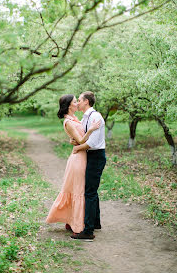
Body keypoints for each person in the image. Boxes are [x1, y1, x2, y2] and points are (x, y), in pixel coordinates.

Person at [46, 94, 100, 234]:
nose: (77, 103)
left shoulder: (74, 119)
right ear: (69, 105)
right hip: (78, 159)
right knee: (78, 190)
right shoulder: (68, 122)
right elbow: (81, 141)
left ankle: (71, 221)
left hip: (81, 156)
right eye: (75, 101)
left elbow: (76, 139)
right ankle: (76, 225)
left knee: (77, 189)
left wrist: (73, 140)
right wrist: (92, 129)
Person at [70, 91, 106, 241]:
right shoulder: (86, 117)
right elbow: (85, 138)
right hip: (91, 156)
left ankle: (88, 231)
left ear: (86, 102)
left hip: (96, 156)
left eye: (79, 100)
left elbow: (92, 143)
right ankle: (95, 222)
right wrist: (75, 142)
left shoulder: (95, 117)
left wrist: (77, 148)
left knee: (89, 193)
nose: (77, 103)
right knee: (92, 190)